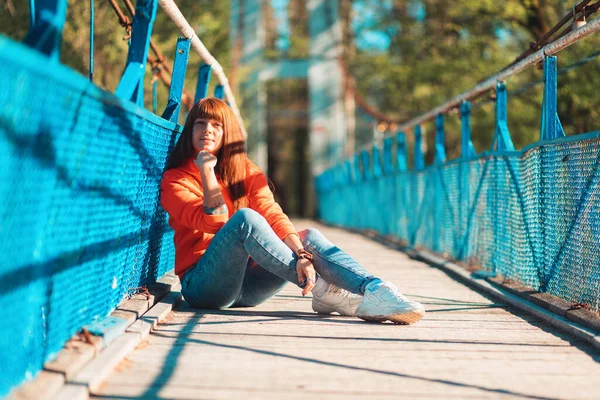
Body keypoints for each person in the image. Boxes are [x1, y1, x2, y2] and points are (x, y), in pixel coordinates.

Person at [160, 97, 425, 324]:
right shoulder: (176, 179)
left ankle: (375, 289)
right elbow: (216, 222)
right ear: (190, 130)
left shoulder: (246, 173)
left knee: (306, 236)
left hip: (249, 290)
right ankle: (323, 289)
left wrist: (301, 254)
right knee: (245, 219)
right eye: (200, 123)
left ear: (228, 132)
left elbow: (272, 213)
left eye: (217, 125)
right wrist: (206, 170)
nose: (208, 130)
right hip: (205, 288)